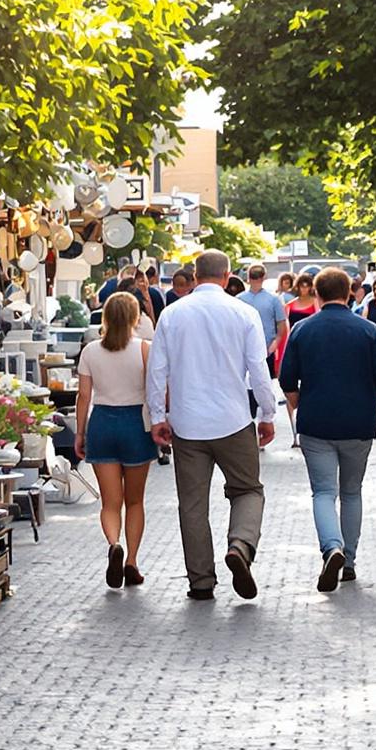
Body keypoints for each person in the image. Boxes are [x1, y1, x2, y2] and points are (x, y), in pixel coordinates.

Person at [145, 250, 279, 601]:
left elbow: (157, 371)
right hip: (234, 420)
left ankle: (201, 581)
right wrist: (267, 414)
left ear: (193, 275)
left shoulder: (171, 315)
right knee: (248, 490)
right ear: (227, 275)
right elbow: (258, 371)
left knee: (191, 504)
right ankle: (240, 545)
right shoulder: (244, 313)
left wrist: (158, 416)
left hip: (187, 425)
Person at [279, 266, 376, 591]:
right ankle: (348, 560)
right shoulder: (367, 330)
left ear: (316, 294)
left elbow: (287, 378)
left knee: (322, 491)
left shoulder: (302, 330)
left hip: (316, 423)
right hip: (359, 423)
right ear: (350, 293)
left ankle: (330, 547)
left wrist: (297, 405)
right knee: (351, 492)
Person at [75, 291, 158, 590]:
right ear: (136, 318)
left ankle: (114, 543)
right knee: (134, 501)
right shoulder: (145, 350)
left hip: (103, 424)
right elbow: (155, 392)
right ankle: (132, 561)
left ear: (106, 317)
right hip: (136, 425)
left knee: (111, 502)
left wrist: (80, 433)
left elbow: (84, 396)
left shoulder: (90, 351)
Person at [238, 264, 288, 360]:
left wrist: (275, 343)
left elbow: (281, 323)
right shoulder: (239, 299)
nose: (256, 280)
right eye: (254, 276)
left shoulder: (274, 299)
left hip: (267, 348)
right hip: (245, 349)